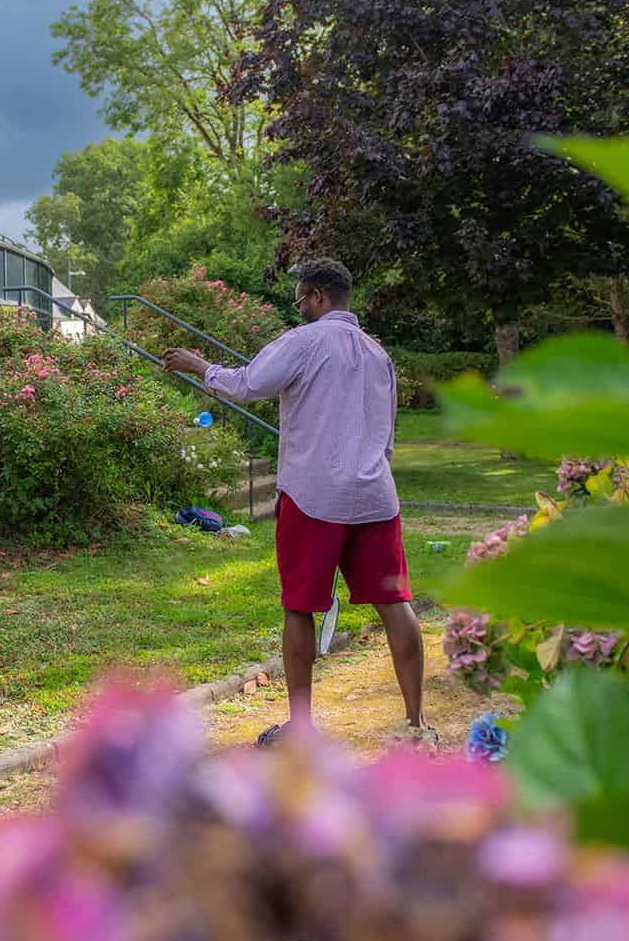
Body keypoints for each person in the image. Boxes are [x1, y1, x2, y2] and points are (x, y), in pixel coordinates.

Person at [163, 257, 431, 750]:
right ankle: (417, 725)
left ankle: (302, 729)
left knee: (299, 607)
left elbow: (247, 385)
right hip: (376, 496)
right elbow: (386, 433)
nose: (299, 307)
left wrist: (200, 365)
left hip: (312, 496)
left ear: (318, 297)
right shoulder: (379, 356)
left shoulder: (302, 342)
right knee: (396, 604)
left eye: (300, 299)